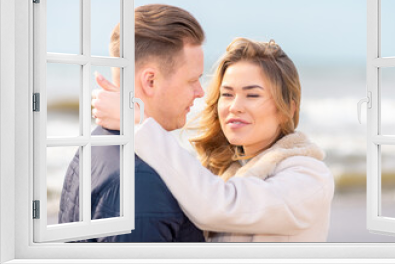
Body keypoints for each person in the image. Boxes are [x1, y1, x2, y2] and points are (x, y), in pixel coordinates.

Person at [94, 37, 335, 242]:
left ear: (287, 109)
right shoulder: (221, 170)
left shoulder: (310, 179)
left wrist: (139, 123)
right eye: (227, 94)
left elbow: (218, 205)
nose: (235, 107)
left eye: (252, 95)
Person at [58, 4, 206, 242]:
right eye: (192, 80)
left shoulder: (96, 142)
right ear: (151, 81)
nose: (200, 92)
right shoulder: (142, 182)